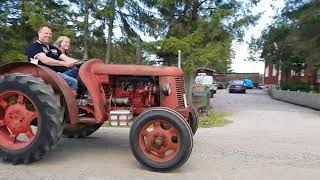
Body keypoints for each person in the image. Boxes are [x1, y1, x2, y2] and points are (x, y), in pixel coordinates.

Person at [27, 26, 82, 94]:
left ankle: (81, 95)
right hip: (44, 74)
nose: (48, 35)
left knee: (80, 71)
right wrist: (64, 64)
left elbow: (66, 58)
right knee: (73, 82)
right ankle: (72, 103)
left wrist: (82, 63)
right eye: (46, 33)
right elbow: (45, 60)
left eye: (50, 34)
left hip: (57, 74)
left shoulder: (53, 48)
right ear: (39, 33)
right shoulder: (34, 46)